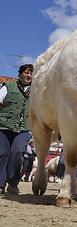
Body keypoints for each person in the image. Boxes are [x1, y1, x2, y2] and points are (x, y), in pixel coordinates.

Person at [0, 64, 34, 194]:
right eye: (26, 72)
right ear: (20, 74)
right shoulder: (8, 86)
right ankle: (0, 184)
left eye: (31, 73)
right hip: (4, 125)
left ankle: (13, 183)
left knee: (18, 152)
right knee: (2, 153)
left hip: (24, 128)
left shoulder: (36, 92)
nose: (29, 75)